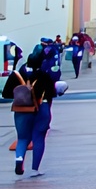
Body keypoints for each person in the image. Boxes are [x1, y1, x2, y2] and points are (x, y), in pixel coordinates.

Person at [5, 48, 59, 176]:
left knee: (22, 138)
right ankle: (35, 169)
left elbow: (6, 93)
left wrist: (21, 95)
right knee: (39, 137)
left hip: (21, 110)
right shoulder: (44, 76)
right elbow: (52, 93)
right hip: (42, 109)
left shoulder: (16, 75)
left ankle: (19, 159)